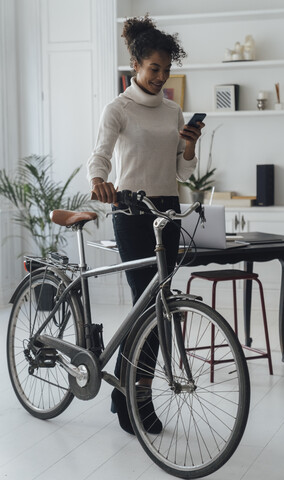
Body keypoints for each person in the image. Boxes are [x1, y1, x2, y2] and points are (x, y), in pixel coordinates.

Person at [87, 14, 204, 435]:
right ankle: (138, 401)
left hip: (167, 210)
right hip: (131, 211)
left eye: (166, 70)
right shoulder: (117, 108)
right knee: (146, 305)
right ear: (136, 65)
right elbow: (100, 153)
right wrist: (98, 180)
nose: (160, 77)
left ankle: (125, 396)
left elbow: (183, 171)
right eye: (154, 69)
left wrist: (188, 146)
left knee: (161, 307)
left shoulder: (173, 110)